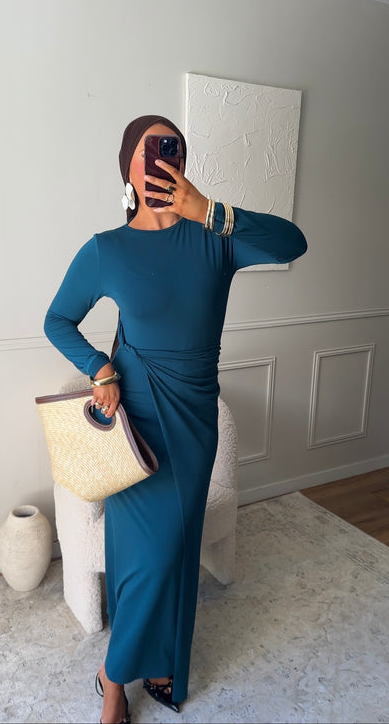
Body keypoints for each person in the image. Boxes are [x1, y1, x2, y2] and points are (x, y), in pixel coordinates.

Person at [44, 114, 307, 724]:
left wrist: (211, 211)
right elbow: (58, 319)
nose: (166, 158)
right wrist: (99, 369)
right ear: (128, 168)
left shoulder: (216, 238)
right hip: (135, 418)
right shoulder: (108, 249)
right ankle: (115, 677)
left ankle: (154, 660)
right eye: (152, 149)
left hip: (193, 421)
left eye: (175, 149)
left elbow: (292, 243)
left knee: (175, 547)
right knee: (148, 555)